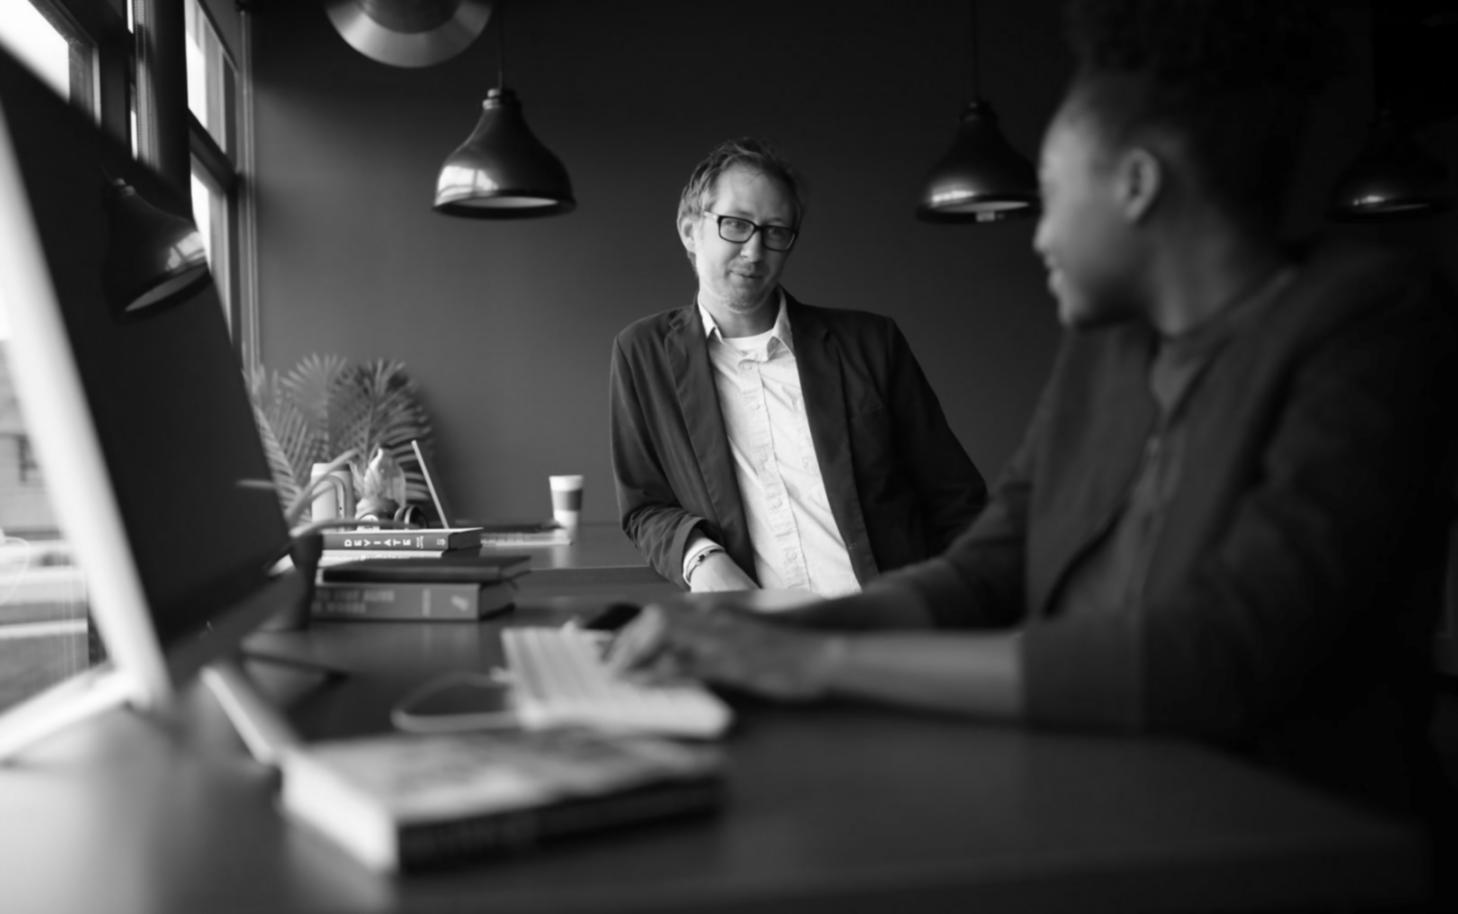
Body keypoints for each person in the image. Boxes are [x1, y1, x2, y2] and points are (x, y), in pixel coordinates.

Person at [611, 0, 1457, 827]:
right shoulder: (1110, 349)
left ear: (1135, 185)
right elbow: (989, 565)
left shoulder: (1371, 323)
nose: (1038, 234)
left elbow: (1223, 655)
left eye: (1050, 194)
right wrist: (757, 637)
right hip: (1082, 788)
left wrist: (824, 660)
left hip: (1282, 832)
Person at [609, 137, 988, 597]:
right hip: (756, 640)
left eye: (775, 231)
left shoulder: (870, 343)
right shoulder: (643, 353)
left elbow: (955, 496)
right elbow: (644, 506)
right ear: (690, 230)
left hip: (886, 629)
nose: (754, 251)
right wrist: (701, 560)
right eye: (735, 224)